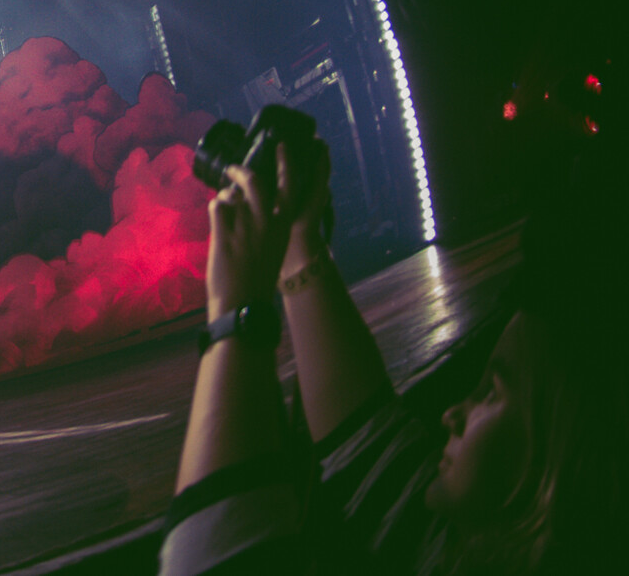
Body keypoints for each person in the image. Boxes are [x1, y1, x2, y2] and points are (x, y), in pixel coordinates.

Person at [163, 109, 621, 573]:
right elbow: (367, 451)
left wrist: (237, 312)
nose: (450, 414)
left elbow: (218, 559)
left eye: (491, 393)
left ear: (573, 457)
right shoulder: (461, 546)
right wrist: (297, 238)